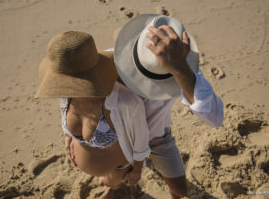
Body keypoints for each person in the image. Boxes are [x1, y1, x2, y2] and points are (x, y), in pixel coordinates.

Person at [111, 14, 224, 199]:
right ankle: (112, 189)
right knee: (113, 181)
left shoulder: (183, 64)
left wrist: (179, 69)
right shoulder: (111, 64)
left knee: (180, 191)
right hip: (121, 139)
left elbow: (215, 118)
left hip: (158, 137)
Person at [35, 31, 151, 198]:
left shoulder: (125, 103)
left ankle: (112, 188)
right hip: (92, 161)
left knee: (112, 182)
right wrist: (68, 137)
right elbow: (65, 116)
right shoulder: (67, 93)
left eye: (68, 82)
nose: (64, 87)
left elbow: (141, 140)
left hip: (116, 169)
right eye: (62, 82)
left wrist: (137, 170)